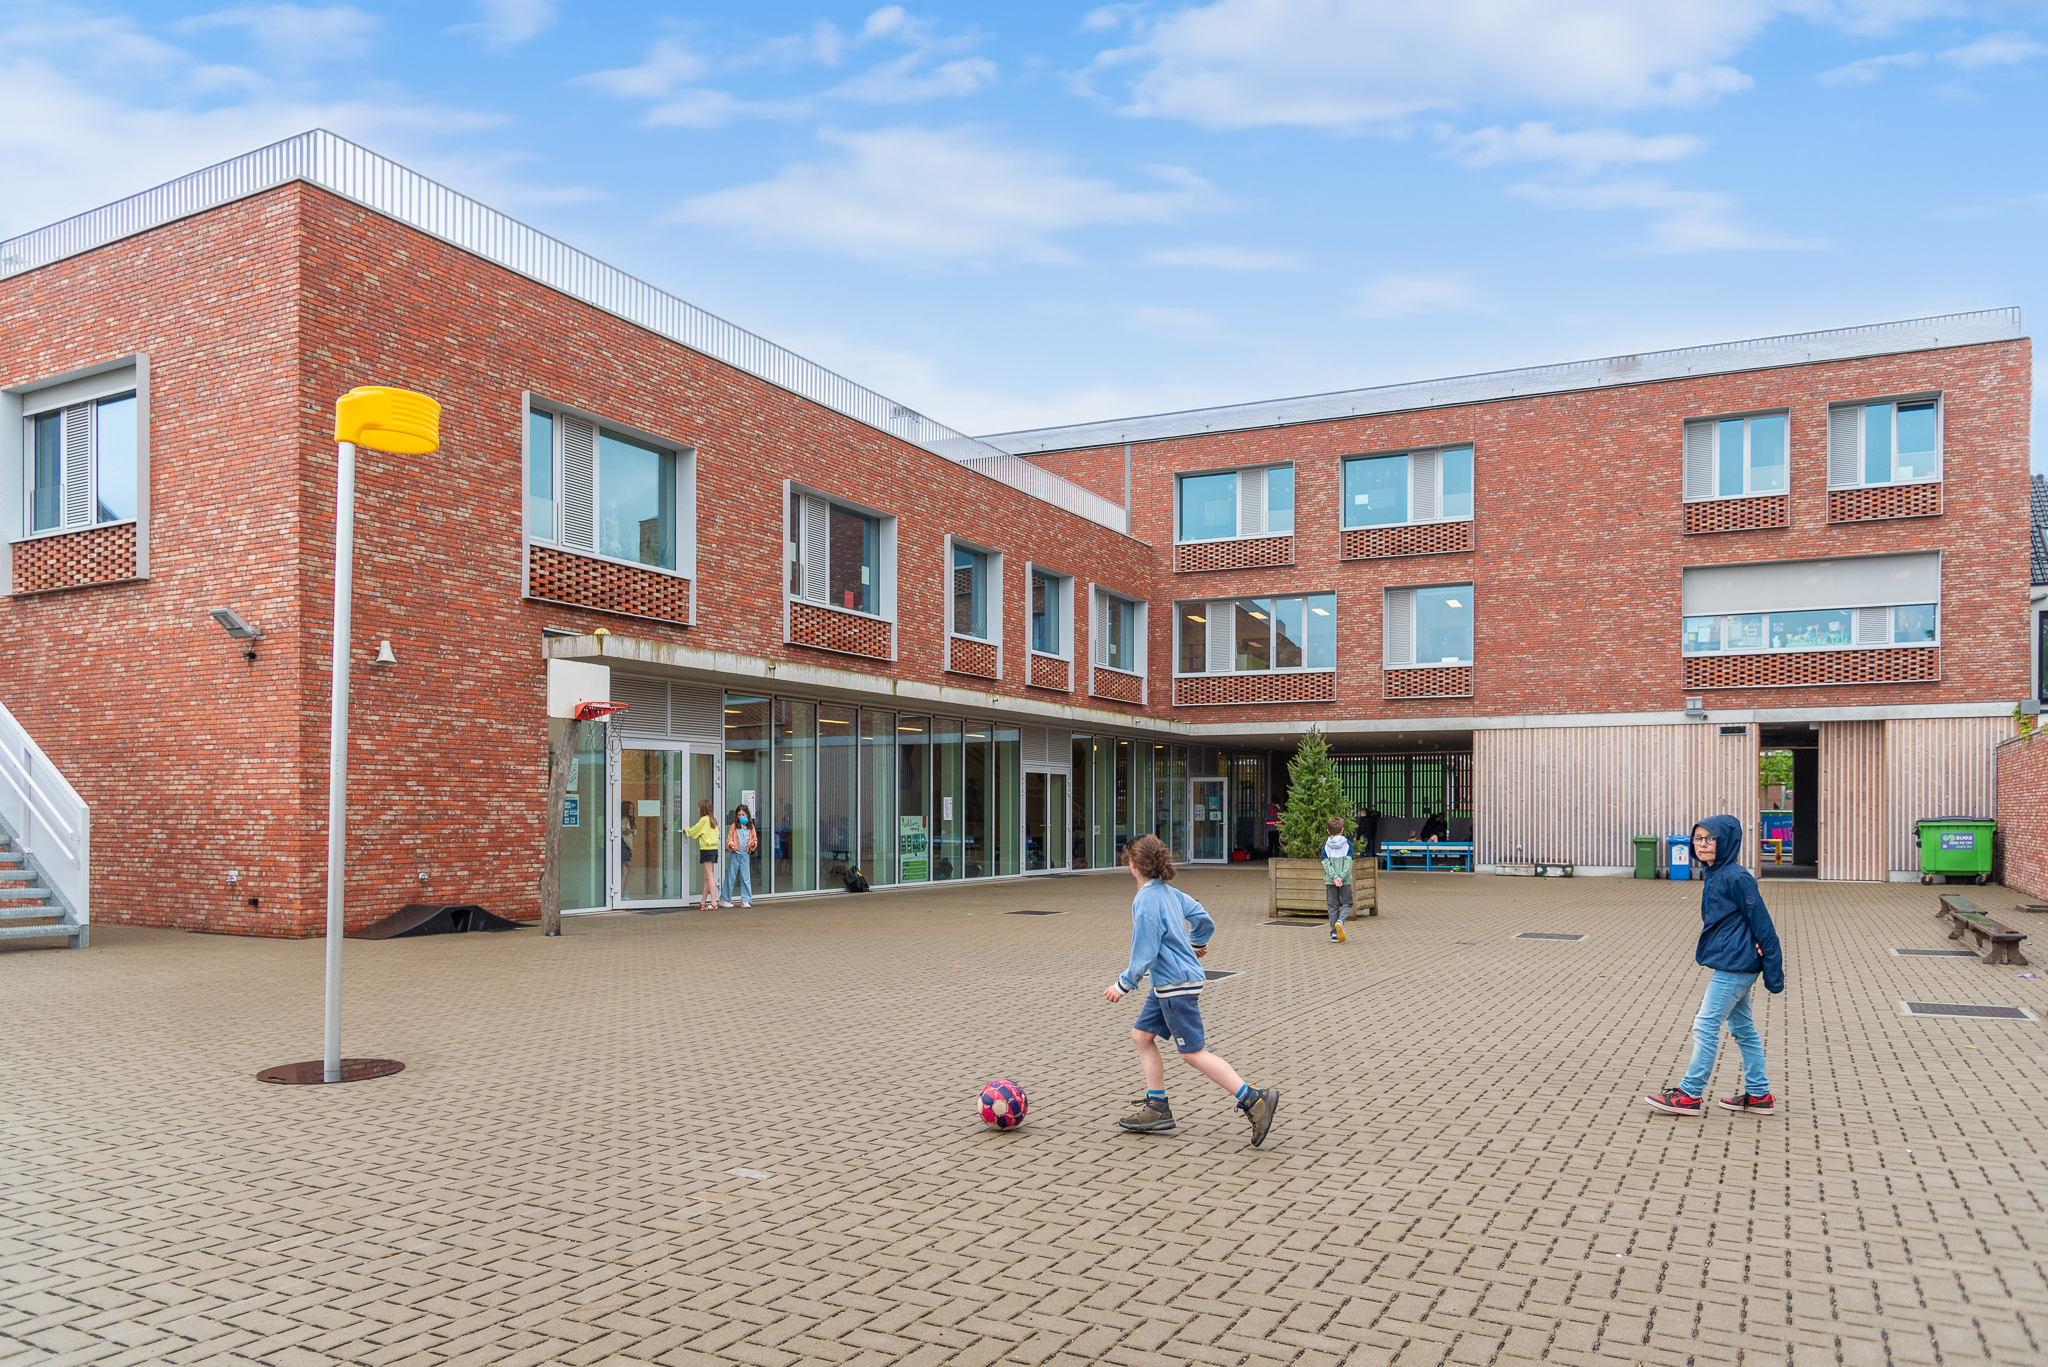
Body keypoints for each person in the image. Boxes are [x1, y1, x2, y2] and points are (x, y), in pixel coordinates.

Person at [1106, 833, 1280, 1146]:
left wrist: (1124, 983)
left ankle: (1254, 1099)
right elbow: (1203, 919)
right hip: (1170, 982)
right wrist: (1196, 943)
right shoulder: (1170, 893)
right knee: (1141, 1036)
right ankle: (1157, 1108)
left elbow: (1144, 950)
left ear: (1131, 864)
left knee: (1193, 1053)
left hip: (1175, 984)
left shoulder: (1145, 901)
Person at [1645, 815, 1786, 1117]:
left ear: (1726, 842)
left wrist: (1774, 969)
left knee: (1705, 1025)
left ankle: (1690, 1093)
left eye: (1710, 839)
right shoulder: (1716, 872)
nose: (1702, 845)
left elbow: (1761, 922)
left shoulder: (1736, 877)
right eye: (1698, 838)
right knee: (1743, 1028)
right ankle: (1759, 1095)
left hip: (1735, 965)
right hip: (1733, 960)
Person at [682, 799, 720, 912]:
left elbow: (694, 831)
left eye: (698, 807)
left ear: (702, 809)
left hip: (706, 850)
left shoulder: (703, 820)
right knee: (707, 877)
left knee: (710, 876)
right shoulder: (713, 820)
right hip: (713, 849)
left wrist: (686, 830)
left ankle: (713, 902)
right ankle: (702, 901)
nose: (697, 809)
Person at [1321, 815, 1353, 943]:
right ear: (1342, 829)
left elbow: (1325, 864)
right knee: (1347, 903)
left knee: (1332, 905)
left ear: (1328, 831)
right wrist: (1341, 877)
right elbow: (1348, 863)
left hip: (1330, 881)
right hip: (1345, 881)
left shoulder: (1325, 846)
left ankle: (1334, 934)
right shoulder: (1347, 845)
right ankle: (1340, 921)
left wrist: (1334, 877)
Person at [720, 804, 757, 908]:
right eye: (739, 815)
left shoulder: (751, 827)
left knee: (746, 877)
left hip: (745, 855)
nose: (741, 816)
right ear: (736, 816)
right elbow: (729, 839)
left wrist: (753, 844)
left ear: (747, 816)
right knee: (730, 876)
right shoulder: (734, 827)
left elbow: (754, 839)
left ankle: (745, 900)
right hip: (735, 854)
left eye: (743, 814)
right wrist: (731, 844)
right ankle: (724, 899)